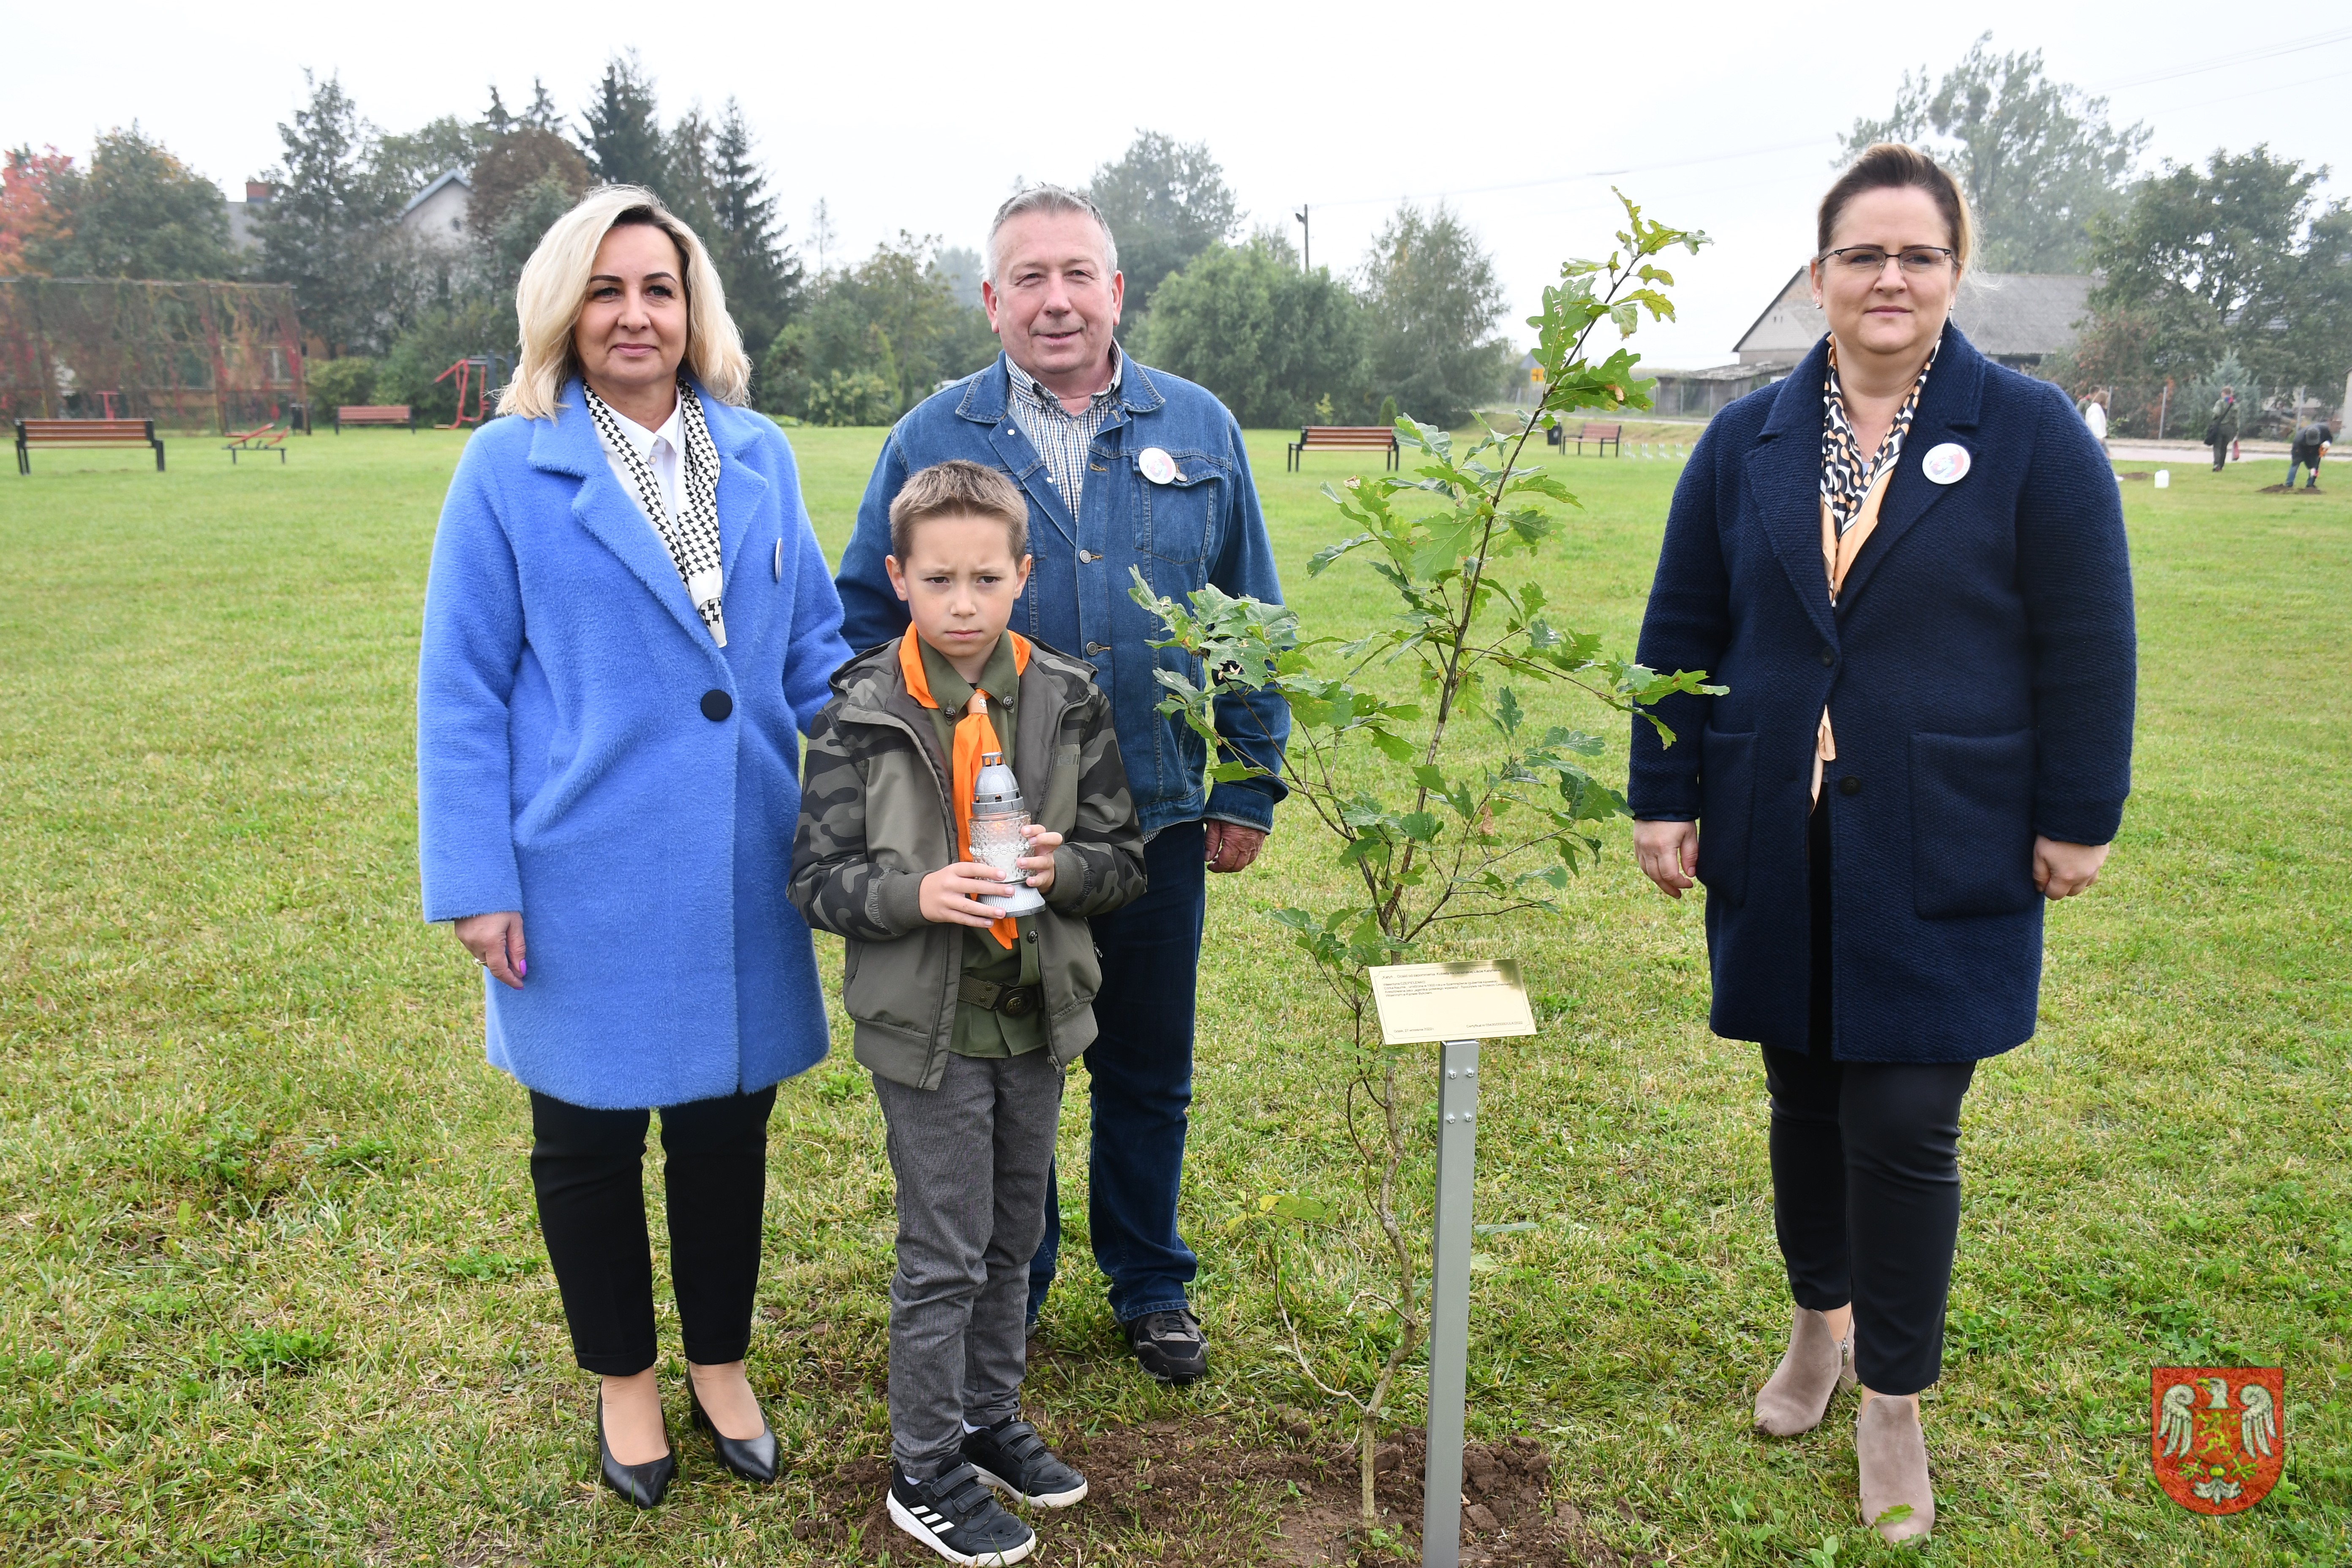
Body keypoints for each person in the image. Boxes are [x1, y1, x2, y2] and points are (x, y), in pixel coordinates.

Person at [1627, 144, 2136, 1546]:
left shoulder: (2026, 431)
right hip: (1773, 831)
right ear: (1816, 275)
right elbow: (1678, 630)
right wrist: (1660, 795)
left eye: (1915, 255)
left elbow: (2087, 641)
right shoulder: (1745, 441)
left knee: (1904, 1121)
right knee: (1800, 1096)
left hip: (1948, 831)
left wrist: (2076, 813)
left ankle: (1890, 1400)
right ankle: (1815, 1325)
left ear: (1951, 272)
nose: (1887, 278)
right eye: (1861, 255)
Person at [416, 185, 850, 1507]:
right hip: (578, 874)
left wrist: (909, 761)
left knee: (728, 1136)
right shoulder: (512, 464)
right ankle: (624, 1379)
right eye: (605, 290)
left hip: (741, 868)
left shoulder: (761, 452)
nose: (634, 314)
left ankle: (719, 1361)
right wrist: (475, 880)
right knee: (589, 1143)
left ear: (692, 306)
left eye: (656, 288)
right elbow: (461, 686)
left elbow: (817, 651)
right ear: (563, 309)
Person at [833, 186, 1289, 1385]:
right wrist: (913, 774)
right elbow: (860, 627)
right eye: (1027, 277)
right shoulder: (931, 437)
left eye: (1077, 272)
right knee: (1009, 1062)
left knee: (1149, 1066)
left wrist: (1246, 781)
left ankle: (1149, 1282)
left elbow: (1251, 620)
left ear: (1117, 290)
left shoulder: (1198, 428)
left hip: (1160, 814)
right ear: (992, 300)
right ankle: (1009, 1282)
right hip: (990, 837)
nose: (1055, 298)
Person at [791, 460, 1147, 1565]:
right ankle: (925, 1467)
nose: (960, 602)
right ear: (897, 577)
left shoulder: (1066, 696)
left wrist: (1063, 863)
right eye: (936, 578)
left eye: (984, 579)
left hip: (1035, 1017)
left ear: (1020, 576)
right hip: (927, 1030)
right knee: (944, 1251)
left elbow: (1122, 859)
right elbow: (815, 879)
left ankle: (989, 1419)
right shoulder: (859, 712)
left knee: (1014, 1236)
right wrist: (914, 895)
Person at [2287, 416, 2331, 490]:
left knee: (2316, 465)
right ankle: (2289, 485)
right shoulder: (2299, 440)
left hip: (2317, 447)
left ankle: (2310, 485)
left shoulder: (2325, 430)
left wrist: (2328, 442)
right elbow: (2305, 456)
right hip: (2300, 449)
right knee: (2295, 464)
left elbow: (2330, 438)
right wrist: (2311, 467)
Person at [2207, 386, 2240, 471]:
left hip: (2220, 427)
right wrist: (2236, 429)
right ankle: (2221, 466)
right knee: (2224, 447)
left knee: (2217, 447)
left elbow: (2216, 414)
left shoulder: (2220, 402)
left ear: (2223, 393)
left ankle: (2216, 465)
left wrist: (2214, 418)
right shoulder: (2235, 404)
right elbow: (2236, 419)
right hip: (2230, 428)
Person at [2081, 387, 2109, 452]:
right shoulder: (2096, 408)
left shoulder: (2096, 408)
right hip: (2098, 437)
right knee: (2105, 458)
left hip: (2099, 436)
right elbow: (2094, 422)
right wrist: (2099, 437)